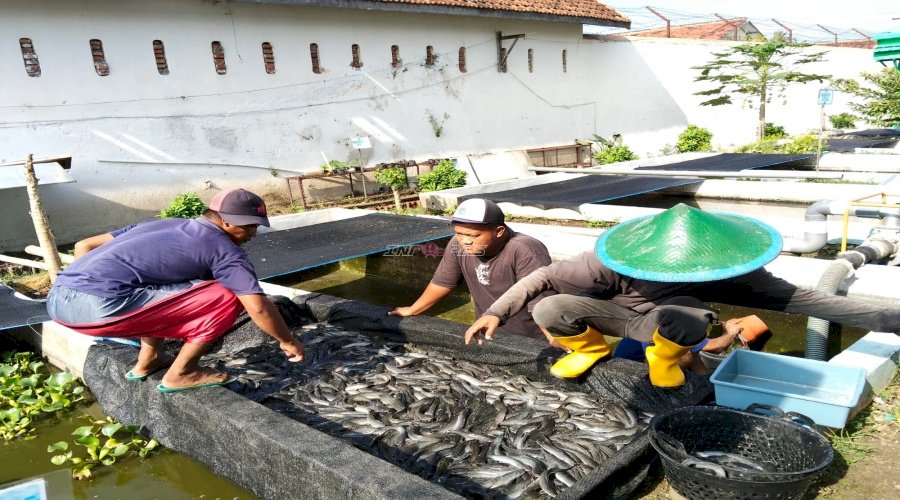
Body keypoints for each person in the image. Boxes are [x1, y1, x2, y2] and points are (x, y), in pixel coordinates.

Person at [465, 203, 900, 387]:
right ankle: (590, 351)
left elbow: (810, 300)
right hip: (618, 318)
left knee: (690, 314)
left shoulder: (734, 270)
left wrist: (889, 319)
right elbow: (537, 280)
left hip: (668, 326)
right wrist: (497, 314)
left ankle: (677, 361)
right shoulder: (605, 260)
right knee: (550, 305)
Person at [46, 188, 305, 393]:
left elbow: (84, 245)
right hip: (97, 309)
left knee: (160, 288)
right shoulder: (225, 251)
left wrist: (82, 283)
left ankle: (150, 358)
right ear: (225, 222)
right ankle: (182, 372)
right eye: (249, 226)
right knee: (227, 295)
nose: (253, 233)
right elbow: (257, 306)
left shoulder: (162, 224)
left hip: (57, 300)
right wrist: (288, 341)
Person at [389, 198, 554, 341]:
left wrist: (553, 338)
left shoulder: (525, 249)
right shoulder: (457, 244)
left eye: (474, 236)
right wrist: (413, 309)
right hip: (487, 330)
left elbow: (540, 302)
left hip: (530, 337)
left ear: (498, 231)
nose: (465, 241)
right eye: (459, 233)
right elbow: (444, 282)